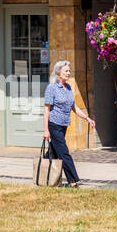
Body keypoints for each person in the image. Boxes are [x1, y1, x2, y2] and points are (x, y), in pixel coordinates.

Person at [43, 60, 95, 188]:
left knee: (54, 152)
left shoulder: (69, 88)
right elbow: (46, 109)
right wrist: (46, 130)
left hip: (63, 124)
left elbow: (74, 107)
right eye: (66, 71)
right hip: (54, 125)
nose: (68, 73)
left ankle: (44, 176)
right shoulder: (52, 88)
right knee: (64, 152)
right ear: (58, 72)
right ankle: (74, 180)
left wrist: (87, 118)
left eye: (69, 71)